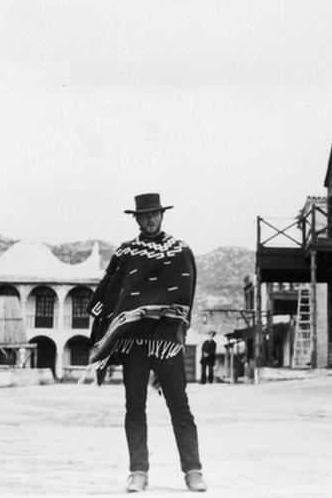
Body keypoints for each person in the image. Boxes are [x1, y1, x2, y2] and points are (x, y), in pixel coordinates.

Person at [87, 193, 206, 493]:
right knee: (134, 407)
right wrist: (118, 323)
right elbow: (109, 291)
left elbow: (185, 291)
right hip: (135, 344)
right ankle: (138, 472)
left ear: (162, 216)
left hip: (166, 342)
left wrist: (171, 322)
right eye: (145, 215)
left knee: (180, 406)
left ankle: (193, 471)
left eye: (155, 214)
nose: (151, 219)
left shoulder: (180, 250)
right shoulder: (125, 253)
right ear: (137, 219)